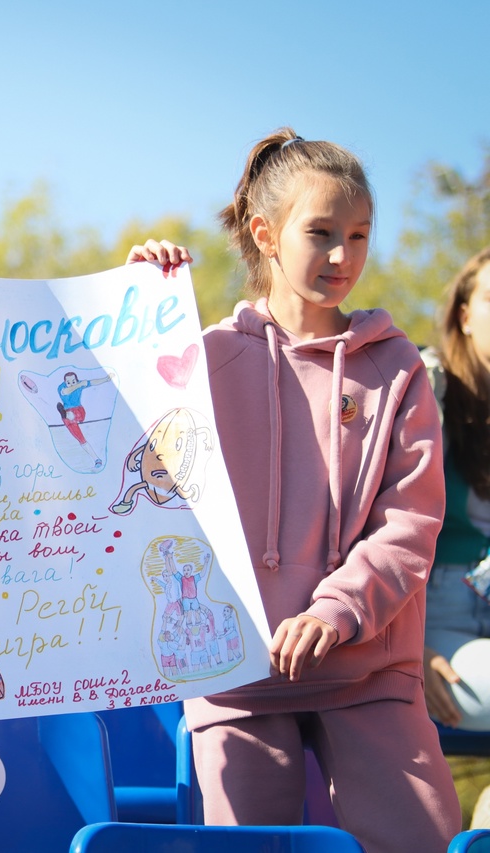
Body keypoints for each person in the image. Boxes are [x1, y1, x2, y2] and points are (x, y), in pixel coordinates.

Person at [128, 128, 460, 852]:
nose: (343, 256)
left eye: (359, 235)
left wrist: (337, 611)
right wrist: (135, 309)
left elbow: (410, 522)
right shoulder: (204, 356)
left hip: (369, 666)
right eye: (322, 233)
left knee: (424, 840)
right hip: (236, 669)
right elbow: (123, 457)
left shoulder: (397, 369)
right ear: (265, 233)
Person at [420, 247, 490, 826]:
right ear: (465, 315)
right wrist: (405, 650)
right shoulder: (429, 386)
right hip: (440, 615)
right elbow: (378, 521)